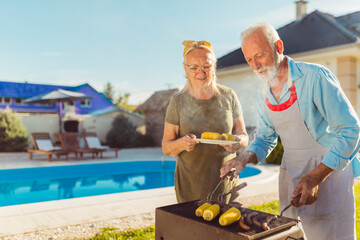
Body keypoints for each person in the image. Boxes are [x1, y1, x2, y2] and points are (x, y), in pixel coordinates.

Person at [220, 22, 360, 240]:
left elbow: (351, 130)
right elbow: (265, 138)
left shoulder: (315, 77)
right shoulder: (264, 92)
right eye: (249, 60)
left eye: (260, 55)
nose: (256, 65)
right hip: (292, 175)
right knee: (293, 234)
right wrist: (243, 158)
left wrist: (315, 177)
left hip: (328, 175)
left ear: (278, 46)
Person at [162, 40, 249, 203]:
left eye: (206, 66)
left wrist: (237, 142)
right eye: (194, 67)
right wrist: (181, 144)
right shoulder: (178, 101)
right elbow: (166, 147)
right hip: (190, 188)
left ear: (214, 65)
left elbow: (243, 135)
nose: (200, 72)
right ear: (185, 68)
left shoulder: (229, 95)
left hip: (226, 185)